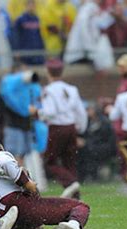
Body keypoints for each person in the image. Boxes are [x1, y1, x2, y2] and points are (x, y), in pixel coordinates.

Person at [31, 59, 87, 198]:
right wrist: (80, 128)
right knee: (70, 161)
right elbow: (80, 111)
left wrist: (37, 113)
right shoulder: (72, 89)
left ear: (48, 71)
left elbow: (50, 111)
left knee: (50, 161)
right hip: (71, 127)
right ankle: (75, 196)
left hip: (57, 128)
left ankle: (71, 182)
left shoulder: (48, 91)